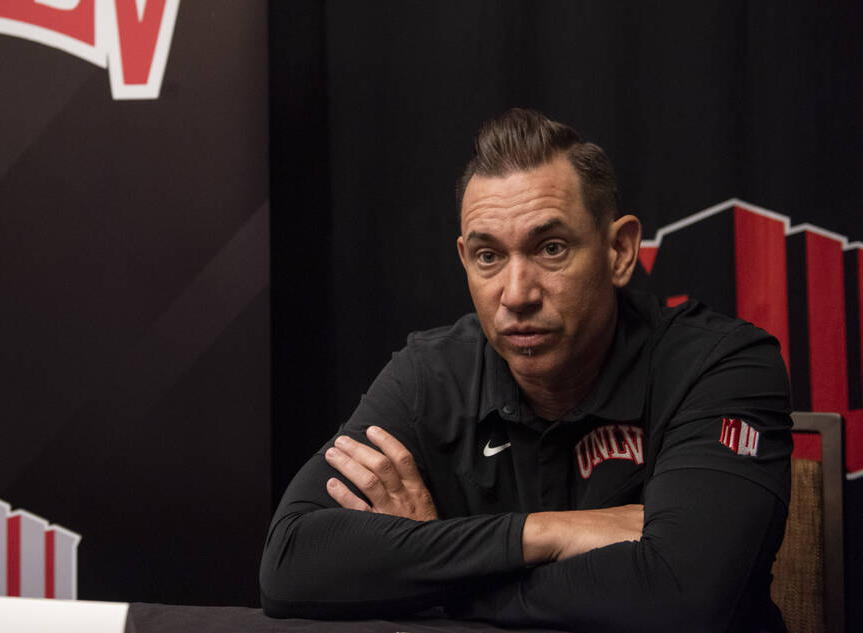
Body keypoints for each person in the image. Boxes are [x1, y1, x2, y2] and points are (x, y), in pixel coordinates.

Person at [259, 108, 793, 632]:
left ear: (620, 251)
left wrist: (434, 570)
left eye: (551, 248)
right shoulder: (432, 374)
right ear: (465, 260)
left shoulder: (720, 365)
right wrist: (550, 533)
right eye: (489, 256)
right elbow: (290, 567)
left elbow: (683, 595)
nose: (516, 295)